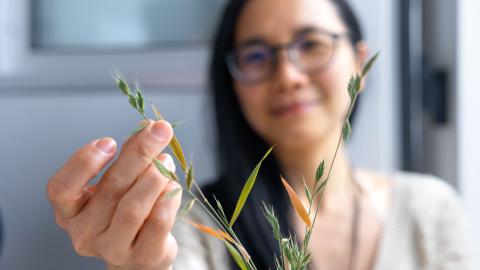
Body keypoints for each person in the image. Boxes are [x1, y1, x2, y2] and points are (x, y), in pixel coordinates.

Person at [47, 0, 473, 269]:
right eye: (256, 55)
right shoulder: (195, 223)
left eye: (311, 44)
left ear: (360, 64)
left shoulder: (428, 208)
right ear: (231, 83)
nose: (287, 75)